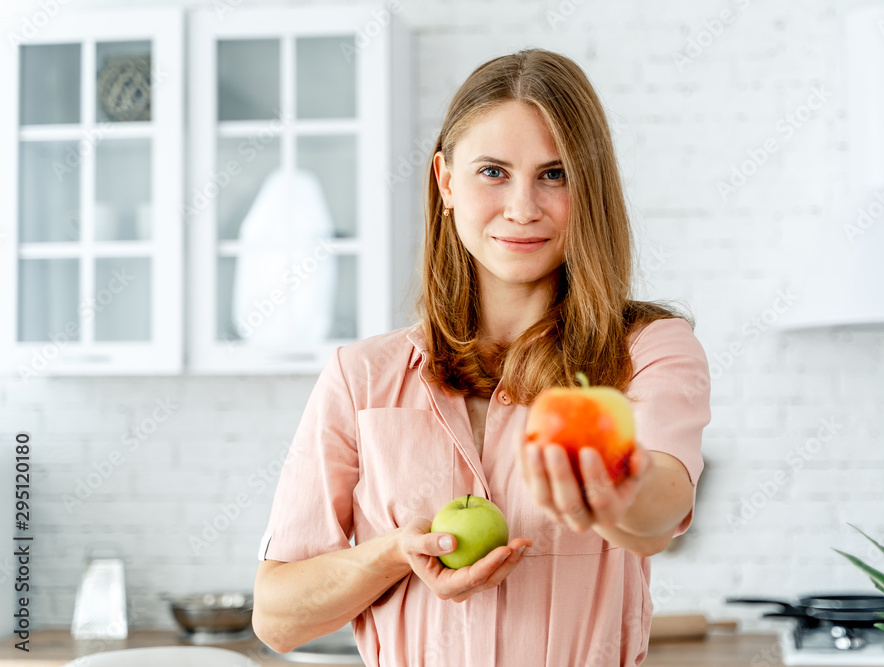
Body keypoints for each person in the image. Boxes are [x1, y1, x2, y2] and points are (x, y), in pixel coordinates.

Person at [252, 48, 711, 666]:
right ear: (445, 181)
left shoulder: (646, 350)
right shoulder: (361, 377)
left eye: (555, 174)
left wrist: (613, 481)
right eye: (493, 172)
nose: (523, 207)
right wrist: (395, 554)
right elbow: (276, 618)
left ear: (591, 188)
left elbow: (662, 510)